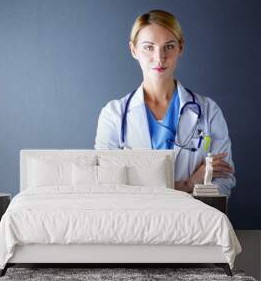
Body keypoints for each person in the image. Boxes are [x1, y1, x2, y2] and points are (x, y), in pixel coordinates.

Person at [94, 10, 235, 196]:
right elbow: (107, 185)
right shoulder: (113, 115)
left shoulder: (208, 111)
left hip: (193, 221)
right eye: (149, 47)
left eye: (168, 46)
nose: (159, 58)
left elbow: (224, 179)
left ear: (180, 48)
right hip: (135, 221)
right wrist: (188, 183)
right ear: (133, 50)